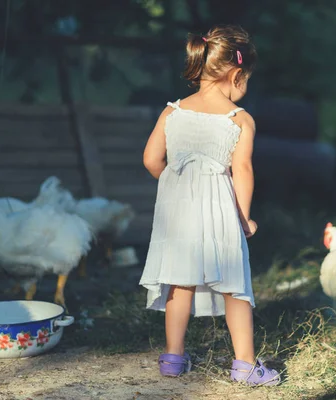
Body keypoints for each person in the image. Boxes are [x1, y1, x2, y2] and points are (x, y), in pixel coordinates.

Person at [140, 25, 281, 386]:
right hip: (220, 209)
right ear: (236, 74)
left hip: (177, 213)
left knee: (179, 281)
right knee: (234, 283)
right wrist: (244, 217)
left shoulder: (172, 112)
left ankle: (173, 356)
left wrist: (175, 184)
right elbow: (243, 170)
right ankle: (245, 365)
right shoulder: (239, 120)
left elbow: (151, 159)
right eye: (246, 79)